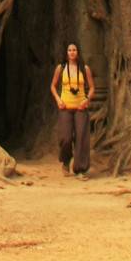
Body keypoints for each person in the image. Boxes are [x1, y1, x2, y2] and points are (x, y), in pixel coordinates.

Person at [50, 41, 95, 176]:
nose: (72, 52)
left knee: (81, 137)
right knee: (66, 138)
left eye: (74, 50)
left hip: (81, 108)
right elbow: (52, 86)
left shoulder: (84, 68)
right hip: (65, 107)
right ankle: (65, 161)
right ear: (66, 53)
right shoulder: (61, 68)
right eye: (69, 50)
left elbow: (92, 87)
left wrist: (87, 100)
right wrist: (58, 100)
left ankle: (80, 169)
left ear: (78, 52)